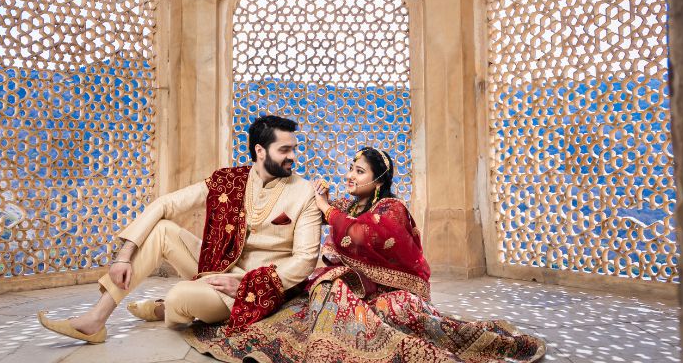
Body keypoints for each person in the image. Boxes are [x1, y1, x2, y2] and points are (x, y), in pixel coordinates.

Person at [183, 147, 546, 362]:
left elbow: (360, 234)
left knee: (396, 313)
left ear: (378, 179)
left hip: (395, 293)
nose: (350, 176)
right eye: (351, 169)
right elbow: (294, 221)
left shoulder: (391, 208)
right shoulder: (348, 206)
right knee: (321, 292)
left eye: (359, 171)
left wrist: (326, 209)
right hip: (357, 289)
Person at [38, 115, 323, 343]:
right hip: (219, 270)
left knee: (179, 296)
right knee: (162, 229)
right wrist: (124, 256)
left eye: (294, 148)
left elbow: (305, 260)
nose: (293, 156)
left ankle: (166, 307)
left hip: (260, 286)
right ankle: (96, 319)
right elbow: (165, 204)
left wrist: (246, 284)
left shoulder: (304, 192)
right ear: (259, 151)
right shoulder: (229, 180)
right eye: (285, 149)